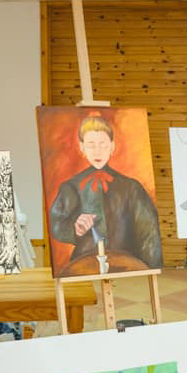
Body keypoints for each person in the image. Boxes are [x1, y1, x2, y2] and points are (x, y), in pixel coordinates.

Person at [48, 114, 162, 272]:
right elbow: (56, 224)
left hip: (126, 263)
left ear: (112, 147)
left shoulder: (132, 187)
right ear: (82, 148)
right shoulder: (71, 187)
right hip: (83, 264)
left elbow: (149, 232)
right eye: (91, 145)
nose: (97, 151)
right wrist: (75, 227)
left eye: (103, 144)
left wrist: (149, 268)